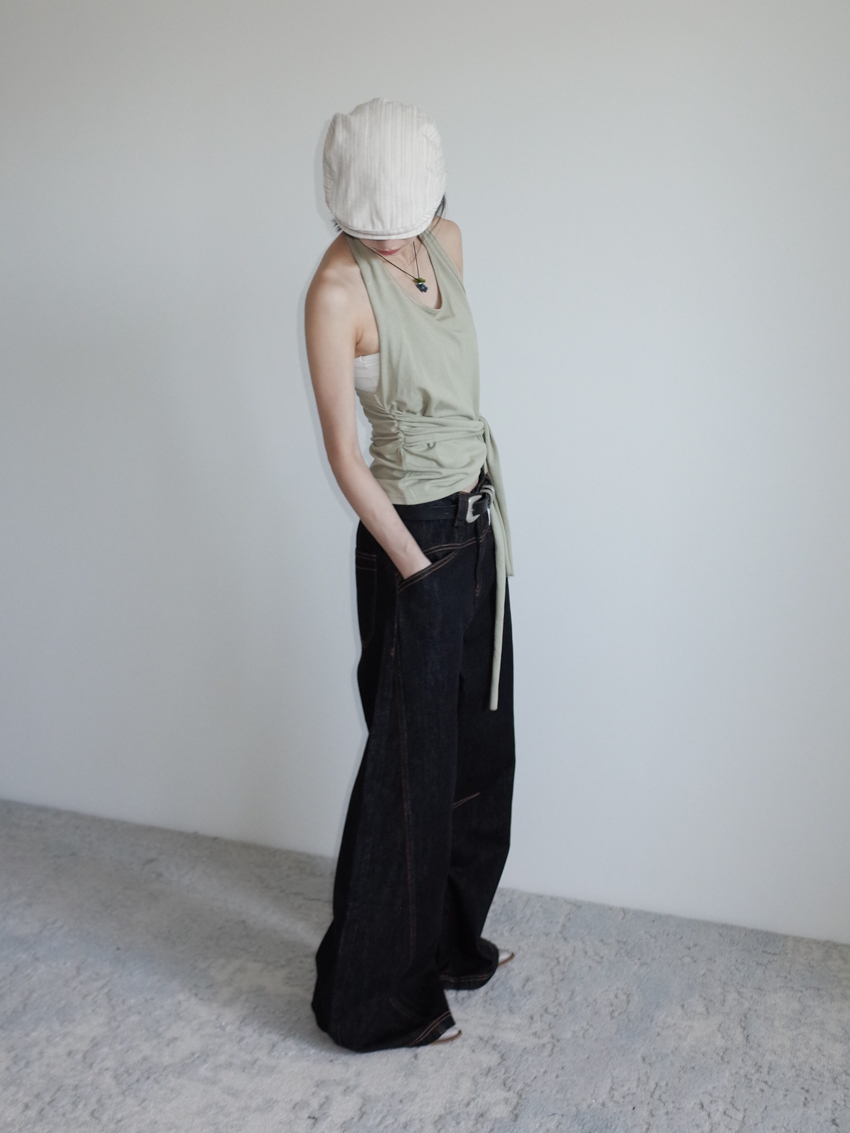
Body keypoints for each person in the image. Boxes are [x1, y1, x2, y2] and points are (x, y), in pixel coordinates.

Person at [305, 98, 515, 1052]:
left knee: (481, 752)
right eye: (372, 224)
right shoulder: (335, 292)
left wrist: (468, 540)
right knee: (408, 772)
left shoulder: (448, 242)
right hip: (411, 540)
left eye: (405, 220)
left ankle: (449, 943)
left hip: (479, 520)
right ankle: (374, 999)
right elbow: (344, 457)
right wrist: (418, 569)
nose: (391, 239)